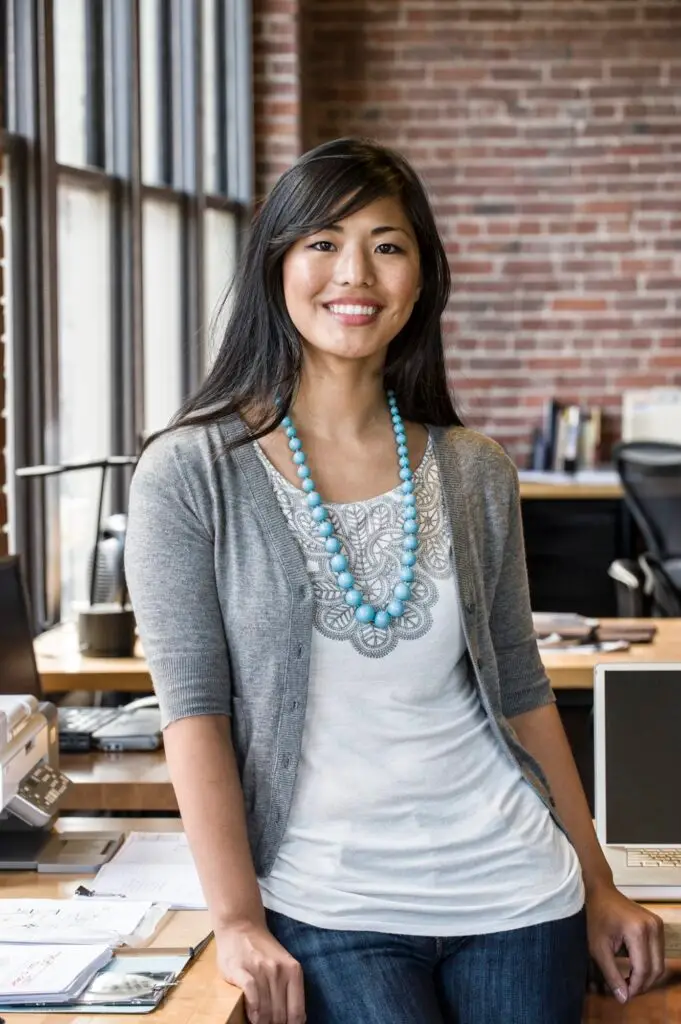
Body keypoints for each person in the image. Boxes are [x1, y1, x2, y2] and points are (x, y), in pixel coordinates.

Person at [125, 137, 664, 1024]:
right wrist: (236, 919)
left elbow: (523, 691)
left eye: (387, 245)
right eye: (323, 242)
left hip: (516, 888)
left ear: (420, 280)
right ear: (277, 265)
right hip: (328, 902)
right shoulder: (190, 473)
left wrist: (598, 882)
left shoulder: (473, 469)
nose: (355, 273)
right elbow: (194, 714)